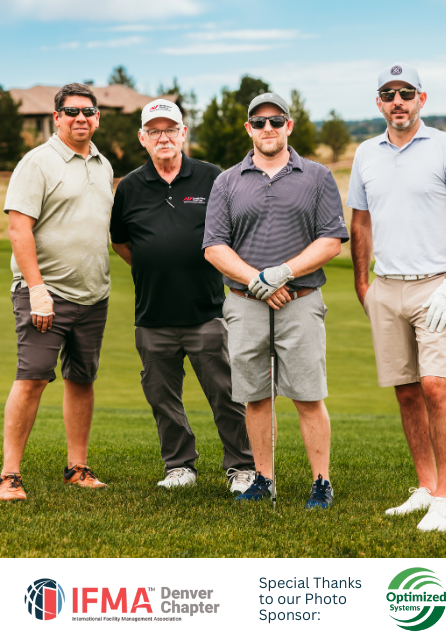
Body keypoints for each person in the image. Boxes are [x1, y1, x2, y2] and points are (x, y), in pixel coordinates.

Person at [348, 63, 446, 531]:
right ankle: (425, 488)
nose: (397, 101)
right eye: (389, 94)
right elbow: (360, 223)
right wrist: (363, 283)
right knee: (406, 392)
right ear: (379, 103)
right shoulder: (366, 153)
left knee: (435, 386)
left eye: (406, 93)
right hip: (387, 287)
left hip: (437, 286)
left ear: (422, 99)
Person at [203, 92, 349, 508]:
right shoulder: (227, 180)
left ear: (289, 126)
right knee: (255, 396)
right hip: (245, 302)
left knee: (307, 394)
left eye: (276, 121)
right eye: (259, 122)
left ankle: (321, 482)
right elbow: (214, 246)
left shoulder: (317, 176)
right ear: (248, 128)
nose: (268, 128)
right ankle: (264, 479)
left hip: (300, 299)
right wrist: (258, 281)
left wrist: (282, 272)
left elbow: (331, 241)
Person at [110, 99, 255, 493]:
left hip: (207, 311)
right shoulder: (130, 187)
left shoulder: (212, 178)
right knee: (162, 397)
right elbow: (122, 242)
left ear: (183, 134)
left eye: (170, 129)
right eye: (154, 131)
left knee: (226, 394)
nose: (163, 137)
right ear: (142, 138)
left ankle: (242, 467)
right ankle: (180, 466)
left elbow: (234, 233)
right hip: (152, 314)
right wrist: (155, 263)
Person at [0, 83, 113, 502]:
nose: (80, 118)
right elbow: (18, 229)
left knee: (81, 380)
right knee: (31, 380)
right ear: (57, 117)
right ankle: (9, 475)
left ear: (98, 116)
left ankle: (77, 467)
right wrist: (37, 289)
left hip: (93, 295)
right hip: (47, 295)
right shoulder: (38, 162)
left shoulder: (101, 165)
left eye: (88, 111)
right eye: (71, 112)